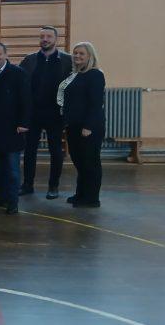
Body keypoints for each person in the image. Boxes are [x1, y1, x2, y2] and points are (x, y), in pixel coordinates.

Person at [19, 26, 73, 199]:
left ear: (56, 39)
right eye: (42, 36)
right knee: (29, 151)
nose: (45, 39)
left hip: (56, 114)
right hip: (33, 114)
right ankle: (27, 185)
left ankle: (53, 186)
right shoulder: (29, 60)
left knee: (56, 151)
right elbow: (20, 85)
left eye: (49, 36)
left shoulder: (68, 60)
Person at [0, 42, 31, 215]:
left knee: (12, 169)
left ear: (5, 55)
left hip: (13, 129)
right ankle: (1, 197)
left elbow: (26, 100)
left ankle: (13, 201)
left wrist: (24, 123)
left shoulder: (18, 73)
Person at [59, 42, 105, 208]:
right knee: (79, 162)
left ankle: (92, 198)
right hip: (74, 126)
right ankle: (81, 194)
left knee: (90, 162)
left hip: (89, 127)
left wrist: (88, 126)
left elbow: (96, 103)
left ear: (89, 56)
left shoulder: (95, 75)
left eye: (81, 53)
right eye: (75, 53)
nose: (77, 56)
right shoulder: (75, 75)